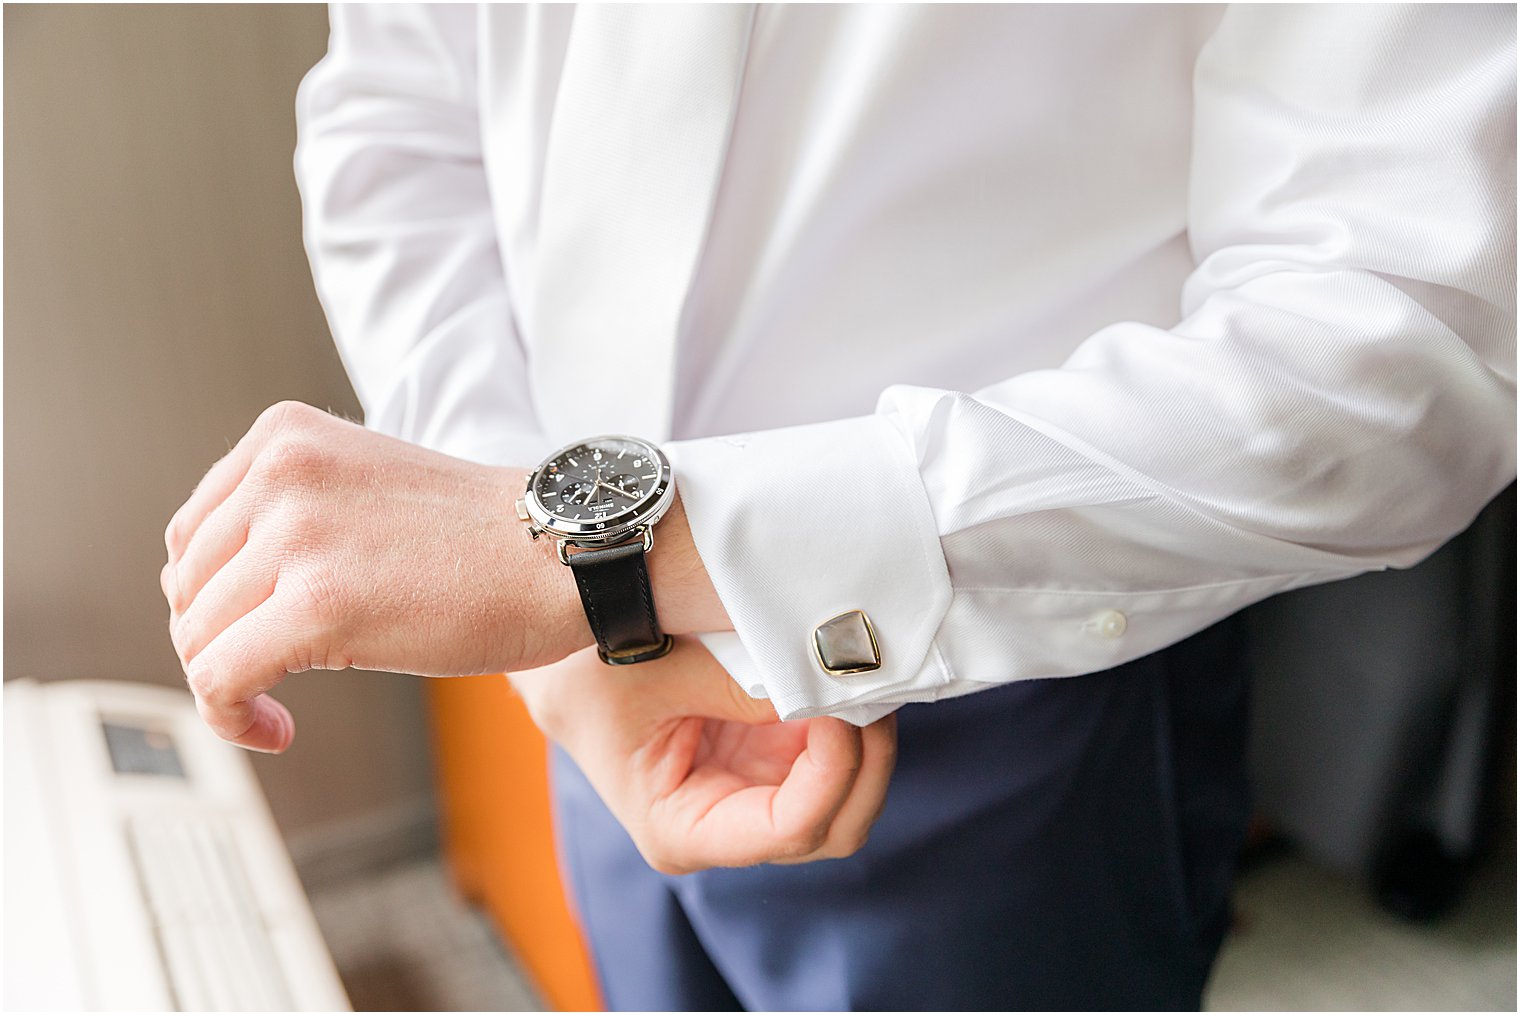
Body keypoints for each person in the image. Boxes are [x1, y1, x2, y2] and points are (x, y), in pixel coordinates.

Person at [162, 5, 1516, 1009]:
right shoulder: (560, 617)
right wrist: (557, 603)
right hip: (577, 695)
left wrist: (603, 563)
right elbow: (396, 105)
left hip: (1022, 714)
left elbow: (1403, 332)